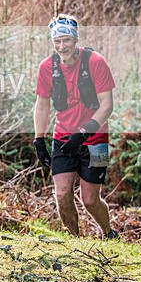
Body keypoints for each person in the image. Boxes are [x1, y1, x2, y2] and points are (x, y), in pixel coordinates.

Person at [33, 14, 117, 239]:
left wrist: (82, 133)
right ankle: (75, 239)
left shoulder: (95, 62)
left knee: (90, 200)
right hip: (62, 137)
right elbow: (42, 104)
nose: (62, 46)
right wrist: (39, 140)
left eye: (67, 40)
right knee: (61, 194)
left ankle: (108, 232)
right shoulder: (46, 68)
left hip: (96, 140)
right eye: (57, 42)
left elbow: (107, 106)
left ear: (76, 39)